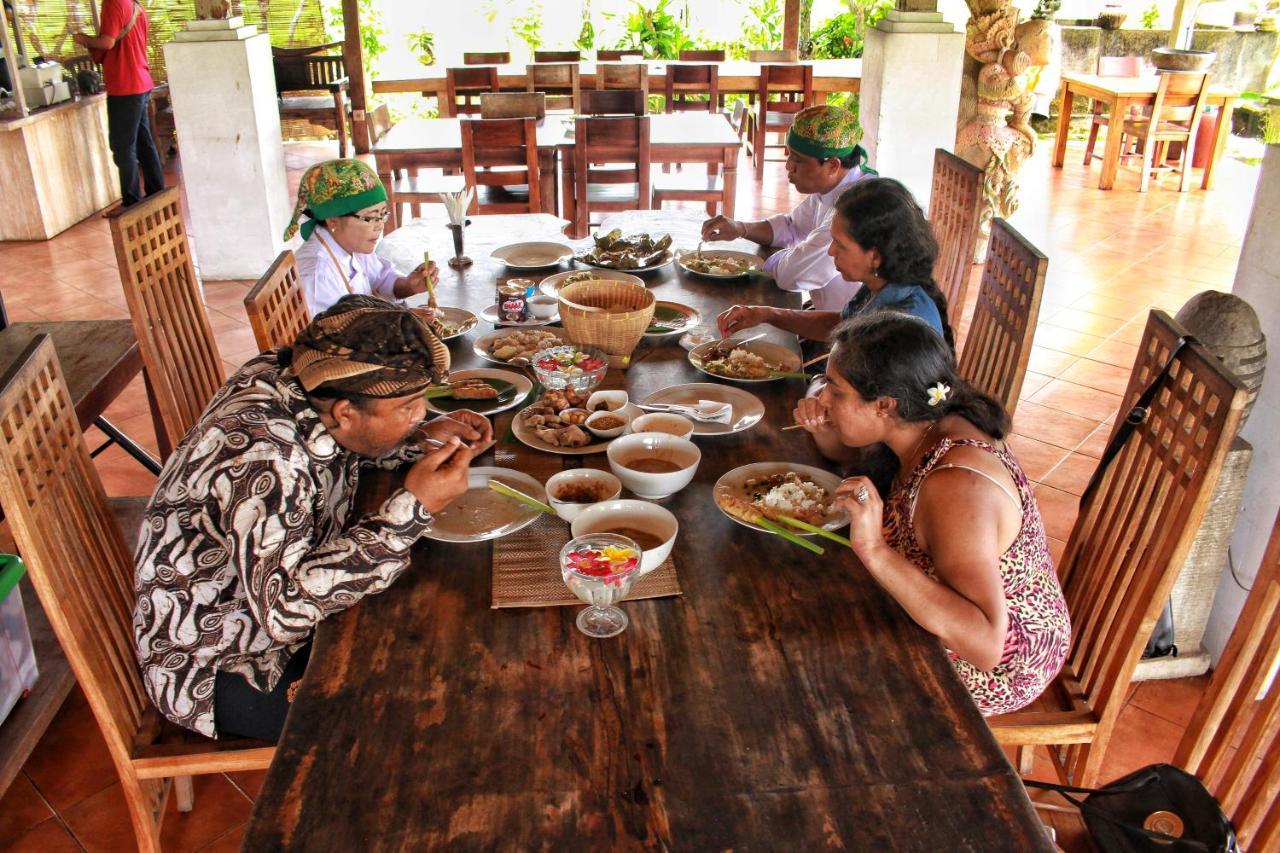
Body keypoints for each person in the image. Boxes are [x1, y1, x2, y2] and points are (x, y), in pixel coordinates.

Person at [134, 296, 493, 741]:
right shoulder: (263, 458)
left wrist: (415, 437)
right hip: (222, 662)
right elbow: (284, 610)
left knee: (442, 630)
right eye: (409, 406)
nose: (421, 413)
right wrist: (412, 509)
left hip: (280, 594)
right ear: (344, 412)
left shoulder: (296, 376)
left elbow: (344, 445)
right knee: (424, 708)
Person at [796, 312, 1069, 716]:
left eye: (834, 392)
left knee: (812, 672)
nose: (822, 400)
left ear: (885, 404)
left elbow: (986, 644)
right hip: (946, 614)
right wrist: (825, 430)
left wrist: (874, 549)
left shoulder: (954, 486)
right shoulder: (923, 422)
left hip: (995, 666)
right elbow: (857, 451)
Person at [716, 178, 951, 349]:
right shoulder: (883, 283)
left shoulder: (902, 326)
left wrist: (821, 388)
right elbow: (841, 324)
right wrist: (766, 314)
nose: (830, 250)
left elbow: (880, 412)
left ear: (875, 255)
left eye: (840, 244)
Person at [700, 104, 872, 312]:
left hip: (855, 330)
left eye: (797, 160)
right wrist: (740, 228)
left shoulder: (856, 208)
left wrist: (757, 263)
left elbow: (794, 276)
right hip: (829, 314)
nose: (788, 166)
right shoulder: (833, 189)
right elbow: (793, 227)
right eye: (789, 156)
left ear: (833, 166)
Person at [285, 159, 437, 316]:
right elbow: (329, 336)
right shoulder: (318, 277)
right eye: (370, 218)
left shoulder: (349, 243)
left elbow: (380, 278)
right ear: (333, 220)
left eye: (383, 215)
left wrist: (408, 285)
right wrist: (403, 321)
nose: (379, 225)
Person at [73, 0, 165, 207]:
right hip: (141, 80)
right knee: (143, 141)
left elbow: (107, 42)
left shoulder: (113, 3)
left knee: (123, 147)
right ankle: (156, 191)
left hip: (125, 85)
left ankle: (132, 201)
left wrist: (83, 39)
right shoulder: (135, 4)